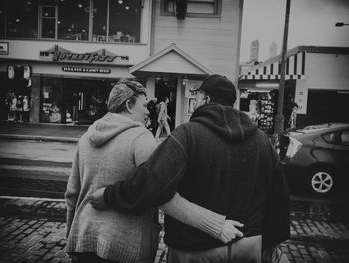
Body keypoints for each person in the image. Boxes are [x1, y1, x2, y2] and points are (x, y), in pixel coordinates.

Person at [90, 74, 290, 262]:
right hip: (248, 245)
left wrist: (108, 195)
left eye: (198, 95)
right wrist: (269, 242)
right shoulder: (262, 141)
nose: (195, 100)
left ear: (206, 99)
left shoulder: (188, 135)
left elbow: (152, 183)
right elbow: (278, 197)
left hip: (194, 248)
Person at [65, 79, 244, 263]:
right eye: (144, 105)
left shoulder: (86, 138)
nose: (148, 110)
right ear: (129, 105)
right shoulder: (141, 138)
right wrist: (216, 226)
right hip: (123, 246)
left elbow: (72, 194)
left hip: (83, 238)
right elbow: (161, 195)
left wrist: (71, 236)